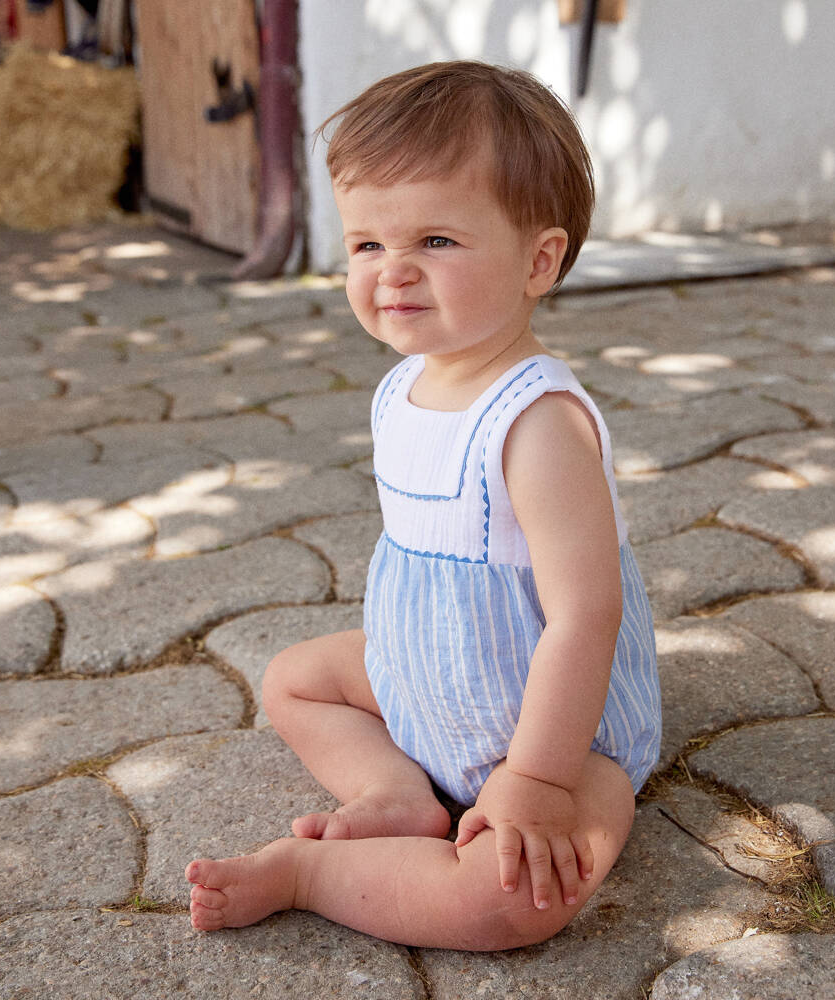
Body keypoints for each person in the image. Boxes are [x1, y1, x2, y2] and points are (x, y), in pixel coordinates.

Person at [186, 60, 661, 951]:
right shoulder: (402, 387)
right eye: (368, 245)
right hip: (424, 678)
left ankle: (310, 872)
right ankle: (395, 792)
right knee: (293, 678)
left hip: (559, 730)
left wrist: (538, 785)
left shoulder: (537, 424)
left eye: (436, 242)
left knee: (512, 901)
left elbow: (587, 616)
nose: (393, 272)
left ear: (538, 260)